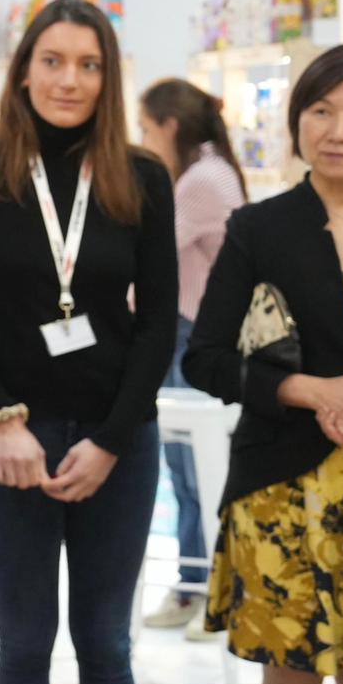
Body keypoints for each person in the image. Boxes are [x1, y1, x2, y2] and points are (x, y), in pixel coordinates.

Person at [0, 0, 177, 684]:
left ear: (108, 78)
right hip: (12, 440)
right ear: (24, 71)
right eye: (54, 61)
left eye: (89, 64)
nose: (70, 80)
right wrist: (3, 421)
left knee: (104, 643)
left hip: (117, 441)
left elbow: (158, 324)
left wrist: (111, 441)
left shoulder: (141, 176)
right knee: (26, 644)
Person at [184, 44, 343, 684]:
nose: (338, 131)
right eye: (321, 111)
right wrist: (310, 390)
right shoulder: (259, 228)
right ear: (297, 121)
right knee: (288, 682)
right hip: (279, 486)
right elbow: (203, 358)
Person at [137, 78, 246, 638]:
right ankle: (197, 586)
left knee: (197, 471)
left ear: (170, 127)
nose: (143, 140)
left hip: (199, 337)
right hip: (194, 332)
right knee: (187, 472)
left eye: (146, 129)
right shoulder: (210, 170)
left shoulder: (201, 179)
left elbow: (153, 258)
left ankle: (211, 591)